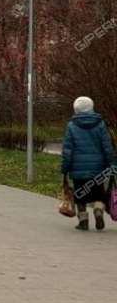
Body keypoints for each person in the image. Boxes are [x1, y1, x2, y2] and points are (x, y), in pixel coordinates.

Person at [61, 96, 116, 231]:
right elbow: (107, 146)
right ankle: (98, 211)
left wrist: (65, 167)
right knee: (99, 193)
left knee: (80, 195)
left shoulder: (72, 126)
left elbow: (68, 150)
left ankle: (83, 221)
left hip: (78, 168)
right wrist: (112, 163)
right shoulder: (101, 124)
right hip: (98, 168)